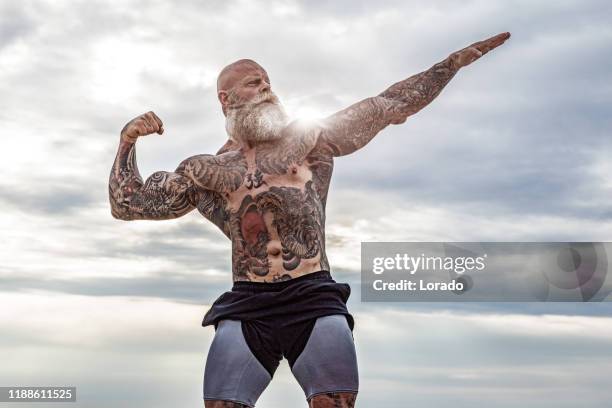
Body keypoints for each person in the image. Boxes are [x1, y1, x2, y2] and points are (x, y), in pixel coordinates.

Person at [108, 32, 510, 408]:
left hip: (312, 298)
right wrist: (127, 141)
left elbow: (390, 104)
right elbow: (128, 205)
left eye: (268, 80)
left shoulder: (310, 139)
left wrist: (451, 64)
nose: (266, 86)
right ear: (225, 99)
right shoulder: (205, 172)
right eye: (253, 82)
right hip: (248, 303)